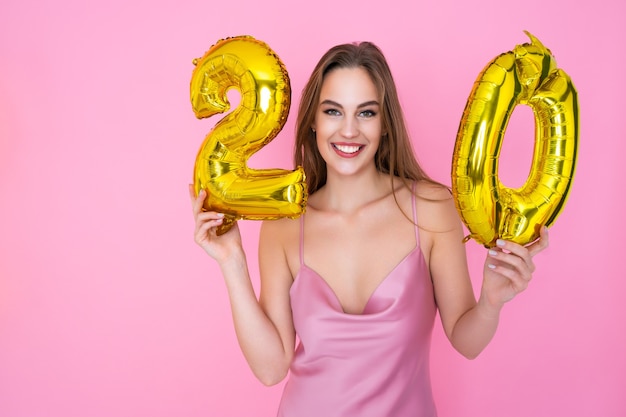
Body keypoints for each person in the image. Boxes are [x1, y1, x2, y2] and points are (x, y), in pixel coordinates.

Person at [189, 41, 549, 417]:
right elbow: (270, 368)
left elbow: (466, 340)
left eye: (365, 113)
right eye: (333, 111)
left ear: (385, 124)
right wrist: (231, 262)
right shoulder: (282, 223)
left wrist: (492, 300)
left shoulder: (430, 209)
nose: (348, 130)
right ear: (313, 120)